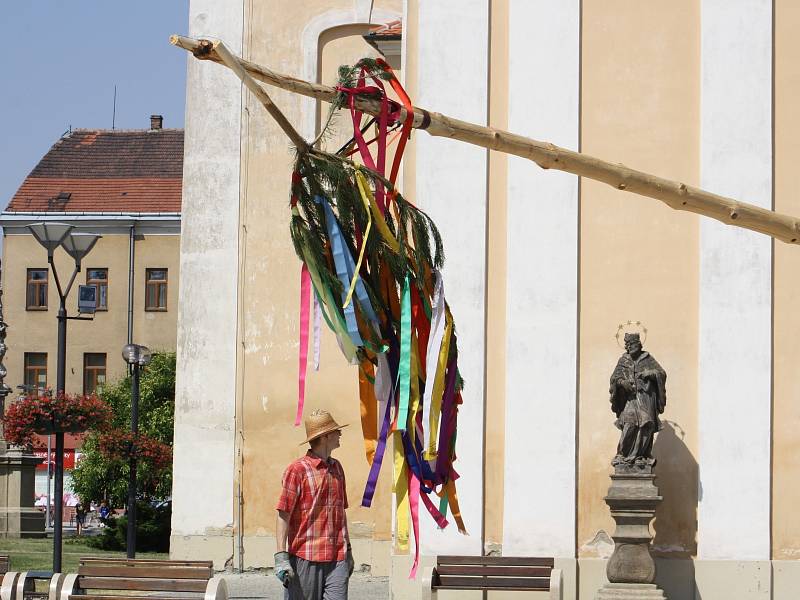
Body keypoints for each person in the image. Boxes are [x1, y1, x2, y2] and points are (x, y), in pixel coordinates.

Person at [275, 409, 355, 600]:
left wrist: (349, 551)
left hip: (337, 558)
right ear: (325, 436)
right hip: (305, 557)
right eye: (336, 431)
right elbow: (283, 514)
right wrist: (280, 556)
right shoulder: (297, 471)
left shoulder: (337, 468)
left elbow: (340, 515)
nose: (340, 434)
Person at [609, 332, 667, 467]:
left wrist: (650, 373)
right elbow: (614, 378)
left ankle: (641, 455)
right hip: (631, 399)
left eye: (631, 344)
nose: (629, 347)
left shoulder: (648, 358)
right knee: (629, 422)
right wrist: (623, 383)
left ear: (638, 344)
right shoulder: (623, 360)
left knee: (646, 424)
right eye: (627, 345)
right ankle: (623, 455)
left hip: (646, 398)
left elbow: (661, 373)